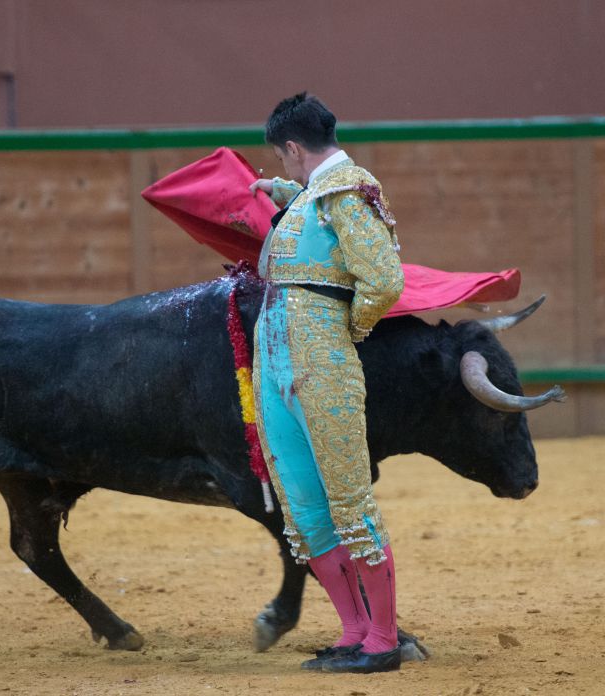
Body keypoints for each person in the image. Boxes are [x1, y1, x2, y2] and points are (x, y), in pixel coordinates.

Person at [248, 93, 405, 673]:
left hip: (322, 366)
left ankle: (383, 640)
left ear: (293, 147)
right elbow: (317, 224)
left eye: (283, 159)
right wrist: (284, 194)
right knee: (306, 506)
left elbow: (384, 281)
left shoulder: (348, 188)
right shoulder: (316, 193)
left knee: (347, 500)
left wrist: (352, 327)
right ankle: (353, 629)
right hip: (278, 366)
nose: (284, 167)